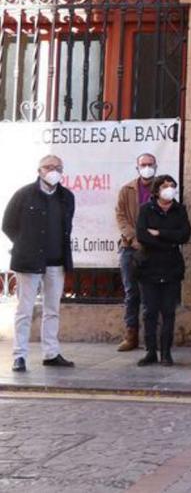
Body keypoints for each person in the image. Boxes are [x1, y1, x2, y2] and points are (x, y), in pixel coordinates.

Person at [3, 155, 75, 372]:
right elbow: (8, 225)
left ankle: (51, 353)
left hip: (56, 261)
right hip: (29, 261)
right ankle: (19, 356)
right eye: (49, 167)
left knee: (52, 309)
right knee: (24, 310)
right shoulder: (24, 194)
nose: (53, 171)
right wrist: (25, 244)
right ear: (39, 170)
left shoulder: (66, 196)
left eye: (57, 167)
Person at [134, 175, 191, 367]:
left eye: (173, 186)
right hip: (149, 267)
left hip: (171, 267)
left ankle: (166, 352)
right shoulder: (146, 209)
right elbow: (142, 235)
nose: (170, 189)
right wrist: (170, 240)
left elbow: (185, 234)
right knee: (150, 311)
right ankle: (151, 351)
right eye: (165, 186)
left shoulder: (179, 210)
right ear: (157, 190)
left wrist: (160, 233)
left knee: (168, 312)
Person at [114, 152, 157, 352]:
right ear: (137, 167)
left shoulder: (163, 188)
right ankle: (131, 335)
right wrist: (134, 238)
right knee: (132, 293)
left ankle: (152, 338)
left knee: (152, 294)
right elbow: (120, 217)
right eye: (143, 164)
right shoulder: (127, 190)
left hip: (154, 249)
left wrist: (149, 239)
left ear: (155, 166)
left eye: (150, 164)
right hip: (130, 248)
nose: (146, 167)